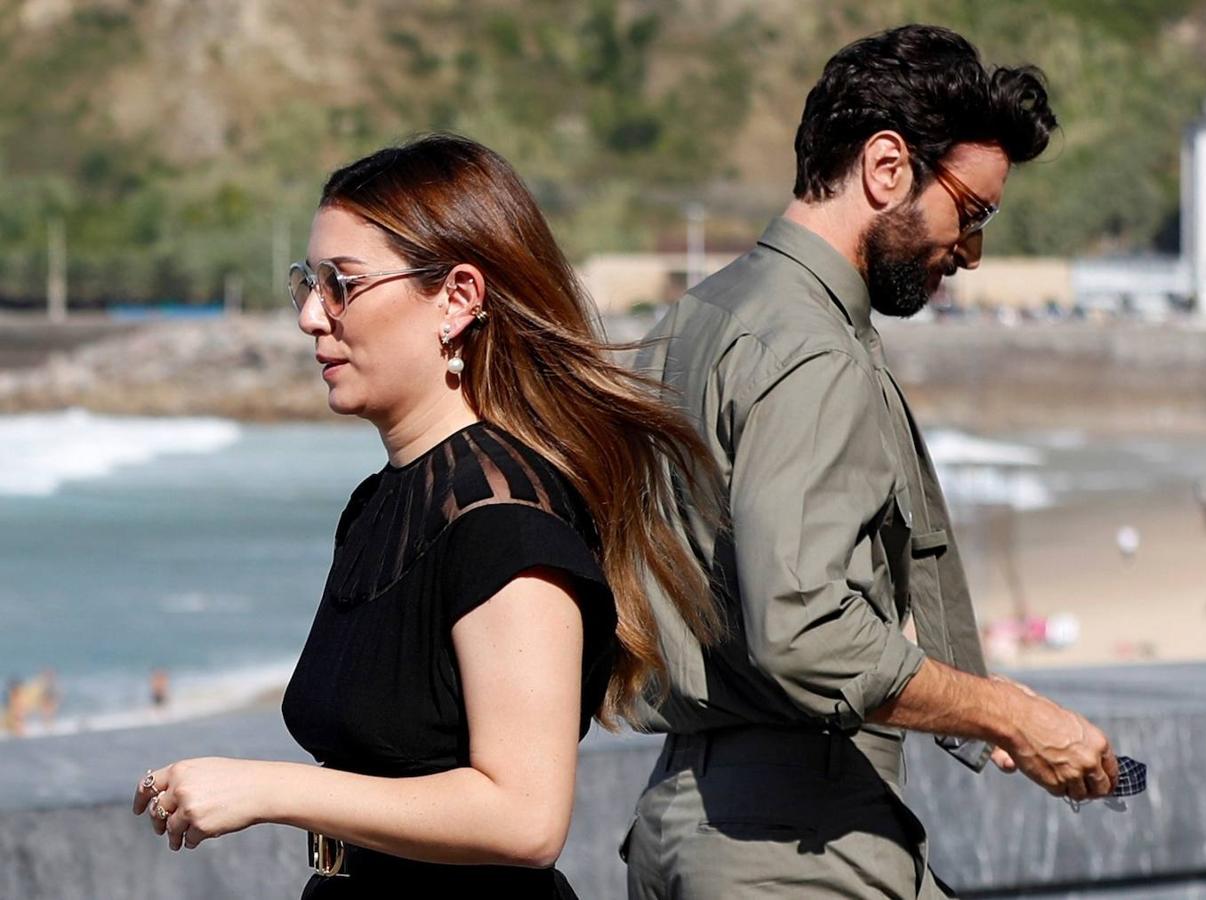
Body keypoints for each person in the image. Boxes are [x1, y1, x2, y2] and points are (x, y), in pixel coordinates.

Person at [132, 134, 722, 898]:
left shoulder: (505, 520)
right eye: (307, 283)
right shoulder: (386, 503)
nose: (313, 316)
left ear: (457, 299)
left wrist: (269, 791)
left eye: (343, 284)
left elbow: (526, 817)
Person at [624, 25, 1118, 899]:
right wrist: (1009, 712)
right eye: (972, 213)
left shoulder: (693, 321)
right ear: (887, 168)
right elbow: (804, 630)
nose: (971, 254)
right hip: (793, 847)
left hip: (682, 816)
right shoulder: (816, 351)